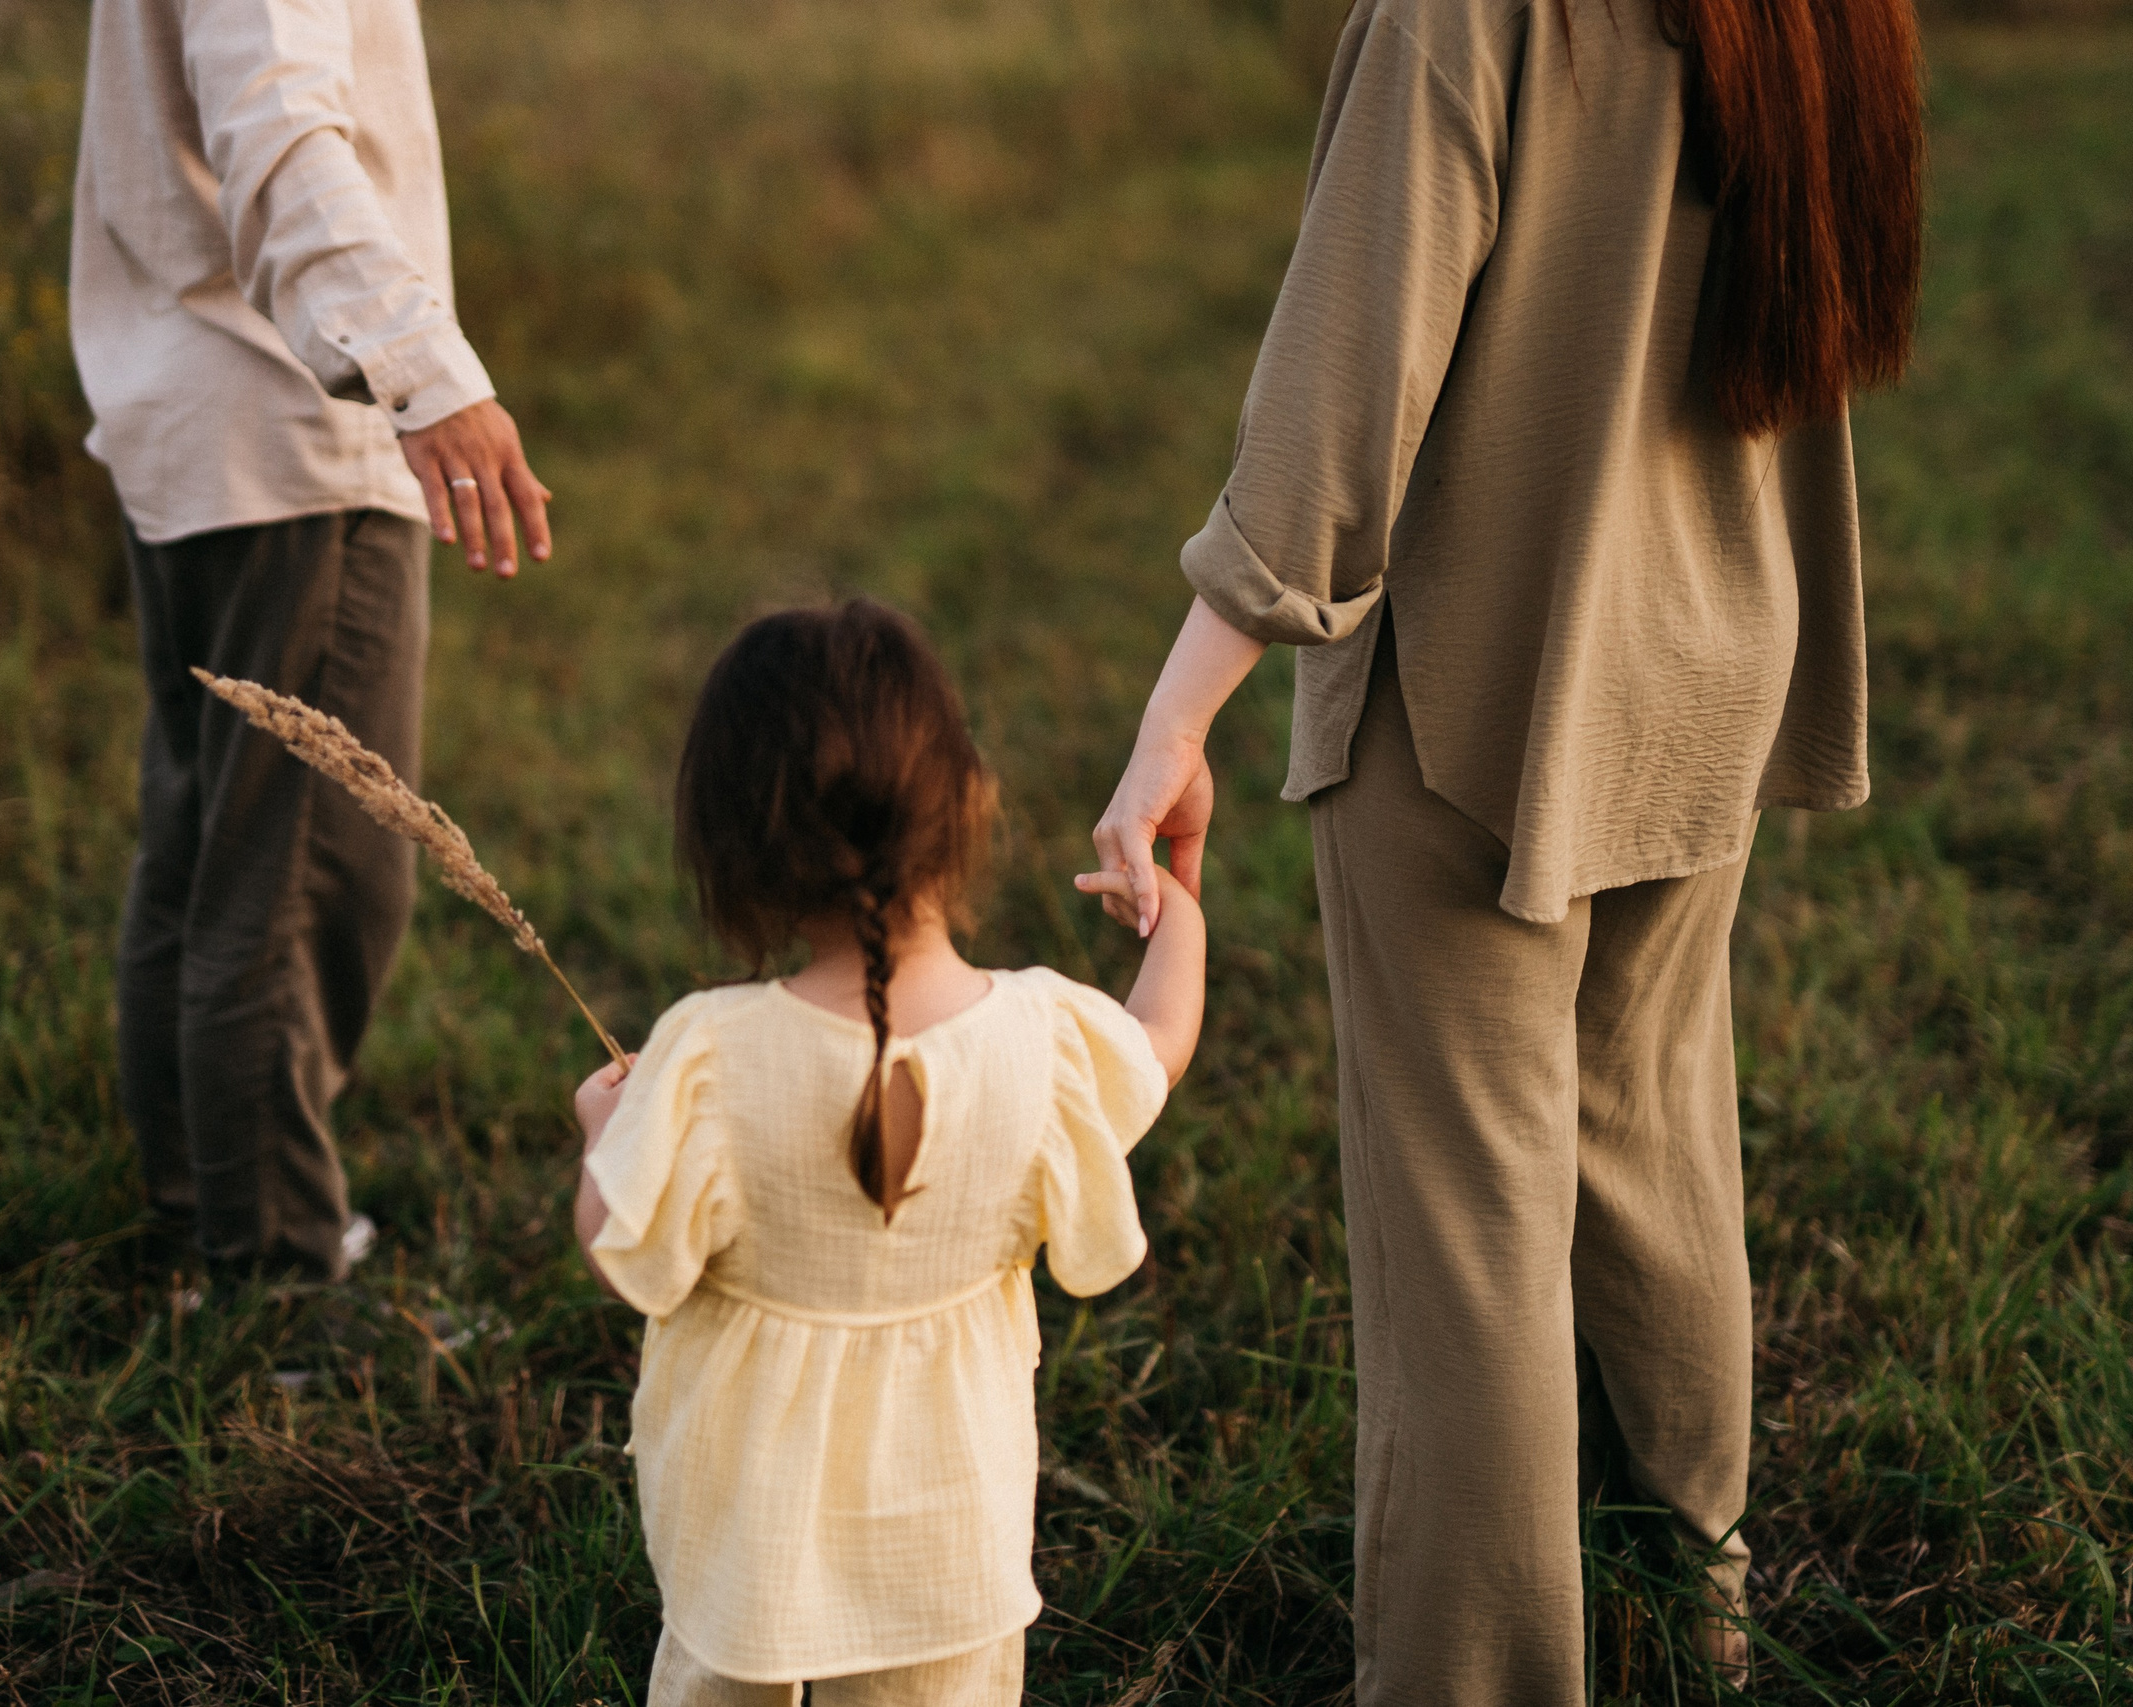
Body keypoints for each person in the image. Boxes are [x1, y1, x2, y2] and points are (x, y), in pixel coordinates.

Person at [1087, 0, 1924, 1698]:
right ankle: (1696, 1608)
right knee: (1654, 1139)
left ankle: (1478, 1676)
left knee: (1465, 1232)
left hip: (1483, 686)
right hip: (1702, 653)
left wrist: (1177, 719)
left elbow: (1340, 392)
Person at [567, 600, 1206, 1704]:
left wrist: (599, 1137)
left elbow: (621, 1249)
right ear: (964, 806)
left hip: (740, 1545)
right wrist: (1179, 892)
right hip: (950, 1543)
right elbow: (1156, 1045)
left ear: (729, 847)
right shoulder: (1043, 1041)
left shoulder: (708, 1055)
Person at [70, 0, 554, 1279]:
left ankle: (205, 1221)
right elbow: (278, 120)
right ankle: (277, 1275)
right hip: (291, 429)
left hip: (198, 417)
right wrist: (422, 372)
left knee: (204, 852)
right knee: (300, 879)